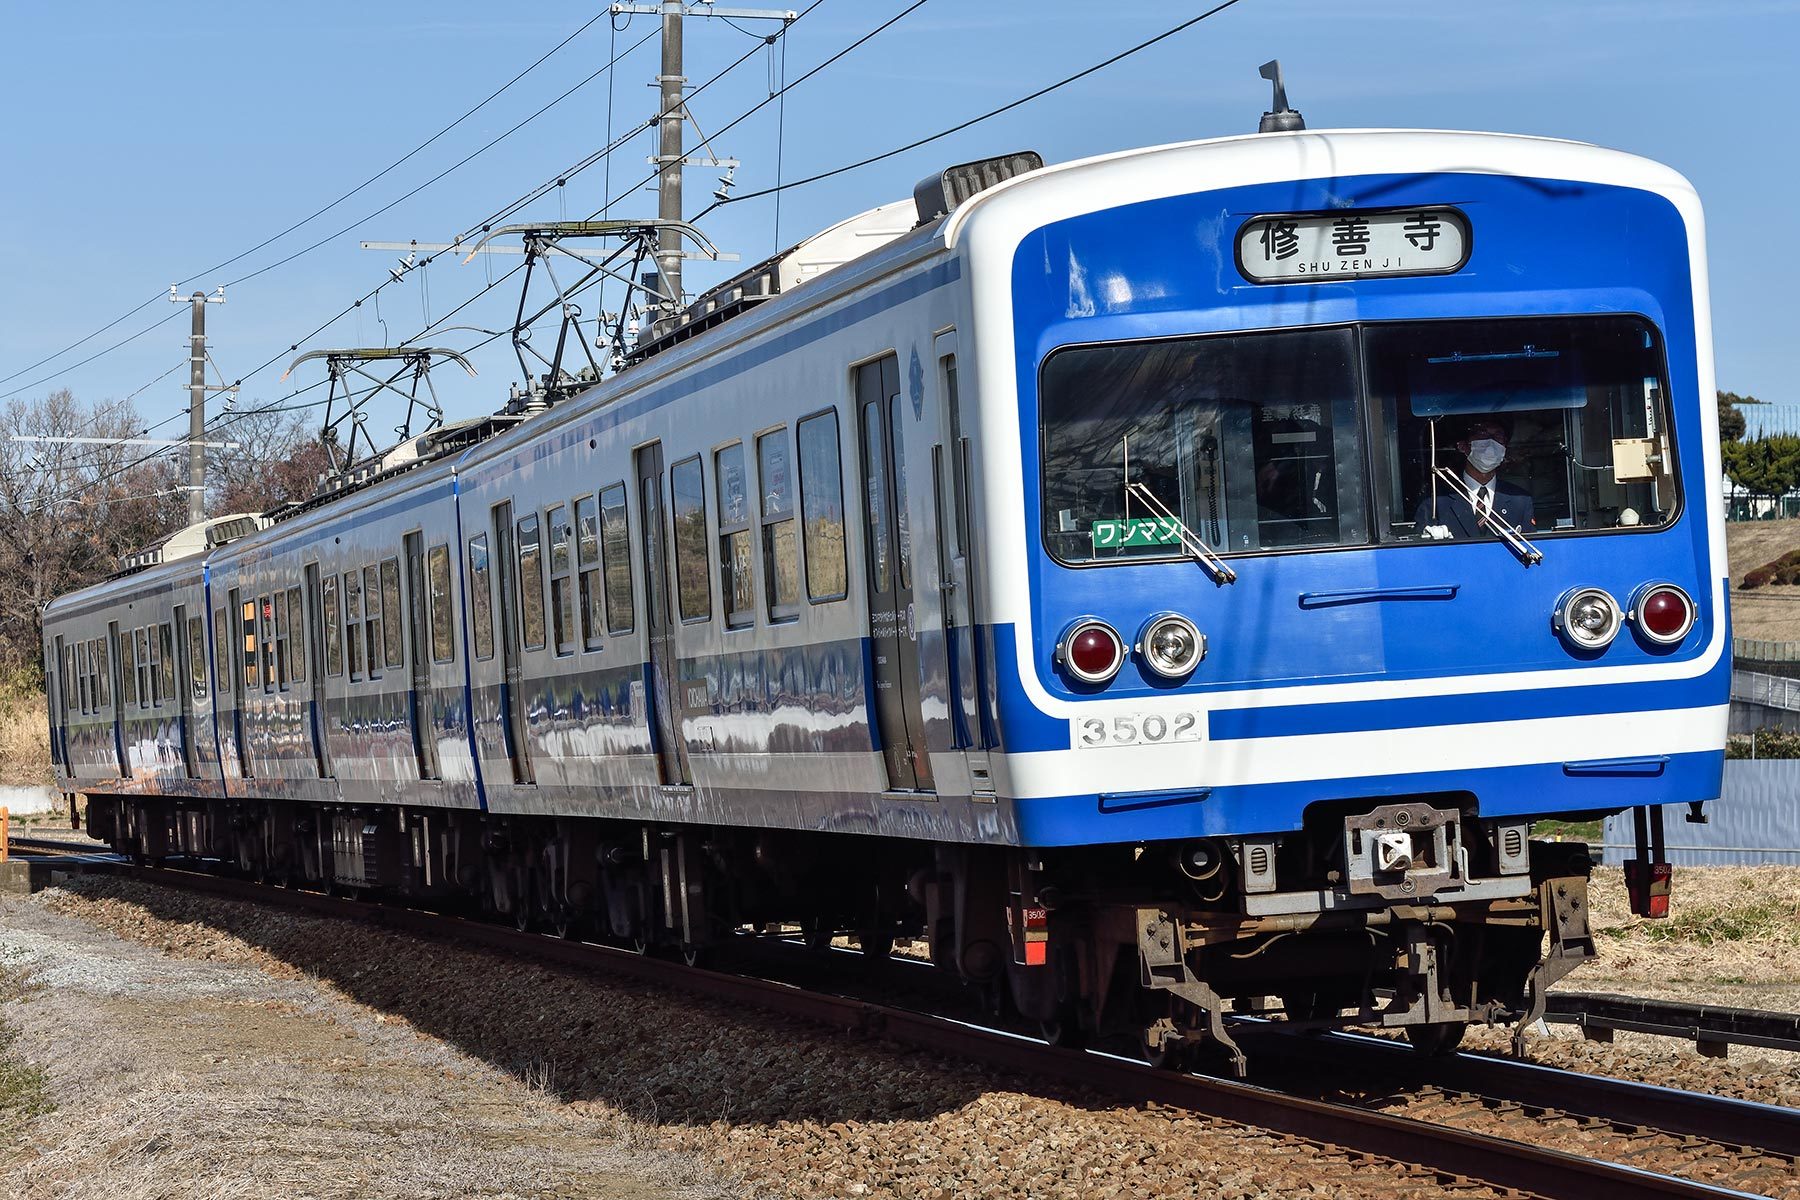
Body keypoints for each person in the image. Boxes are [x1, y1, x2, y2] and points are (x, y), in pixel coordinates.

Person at [1412, 416, 1535, 539]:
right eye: (1482, 434)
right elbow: (1419, 547)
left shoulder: (1520, 500)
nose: (1491, 443)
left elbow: (1531, 546)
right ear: (1463, 446)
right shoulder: (1436, 500)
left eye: (1498, 436)